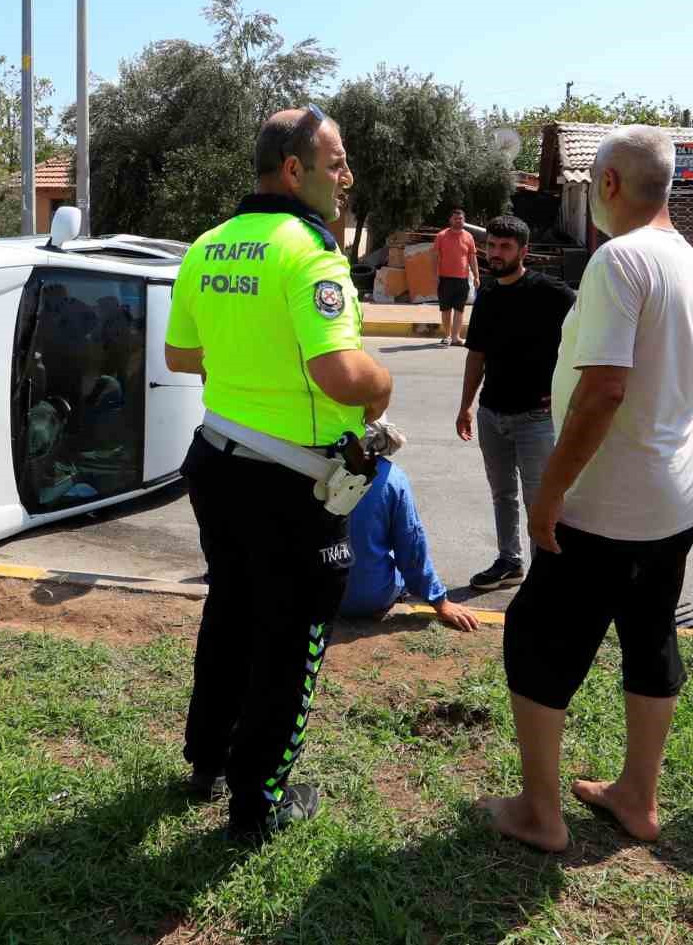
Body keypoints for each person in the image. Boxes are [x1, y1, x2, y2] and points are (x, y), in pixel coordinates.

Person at [479, 125, 693, 850]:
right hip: (677, 493)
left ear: (608, 184)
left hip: (610, 500)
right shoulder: (688, 258)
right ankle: (638, 796)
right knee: (649, 633)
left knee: (536, 639)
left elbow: (604, 391)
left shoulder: (619, 259)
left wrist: (548, 495)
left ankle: (539, 812)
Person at [165, 105, 394, 841]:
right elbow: (340, 373)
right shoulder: (311, 251)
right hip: (290, 484)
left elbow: (181, 354)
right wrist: (382, 384)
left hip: (216, 461)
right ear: (295, 171)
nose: (346, 176)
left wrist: (251, 358)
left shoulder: (209, 245)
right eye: (337, 162)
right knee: (291, 640)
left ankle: (207, 761)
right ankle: (258, 803)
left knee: (231, 612)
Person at [455, 214, 575, 593]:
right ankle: (510, 561)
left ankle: (546, 576)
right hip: (492, 413)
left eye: (505, 246)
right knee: (502, 494)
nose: (496, 253)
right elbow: (476, 354)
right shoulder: (488, 294)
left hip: (537, 416)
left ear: (524, 251)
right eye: (491, 245)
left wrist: (568, 389)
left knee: (540, 500)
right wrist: (466, 405)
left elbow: (588, 330)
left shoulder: (551, 293)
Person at [340, 425, 480, 632]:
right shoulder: (391, 477)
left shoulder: (306, 469)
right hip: (369, 598)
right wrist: (440, 602)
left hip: (314, 596)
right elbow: (412, 550)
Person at [433, 206, 479, 346]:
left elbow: (472, 258)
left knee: (460, 309)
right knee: (446, 309)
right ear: (450, 220)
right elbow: (435, 258)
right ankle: (447, 336)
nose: (458, 221)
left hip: (462, 279)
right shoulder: (441, 236)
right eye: (455, 218)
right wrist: (435, 276)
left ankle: (456, 337)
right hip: (445, 278)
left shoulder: (468, 236)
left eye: (461, 218)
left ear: (464, 220)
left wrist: (476, 276)